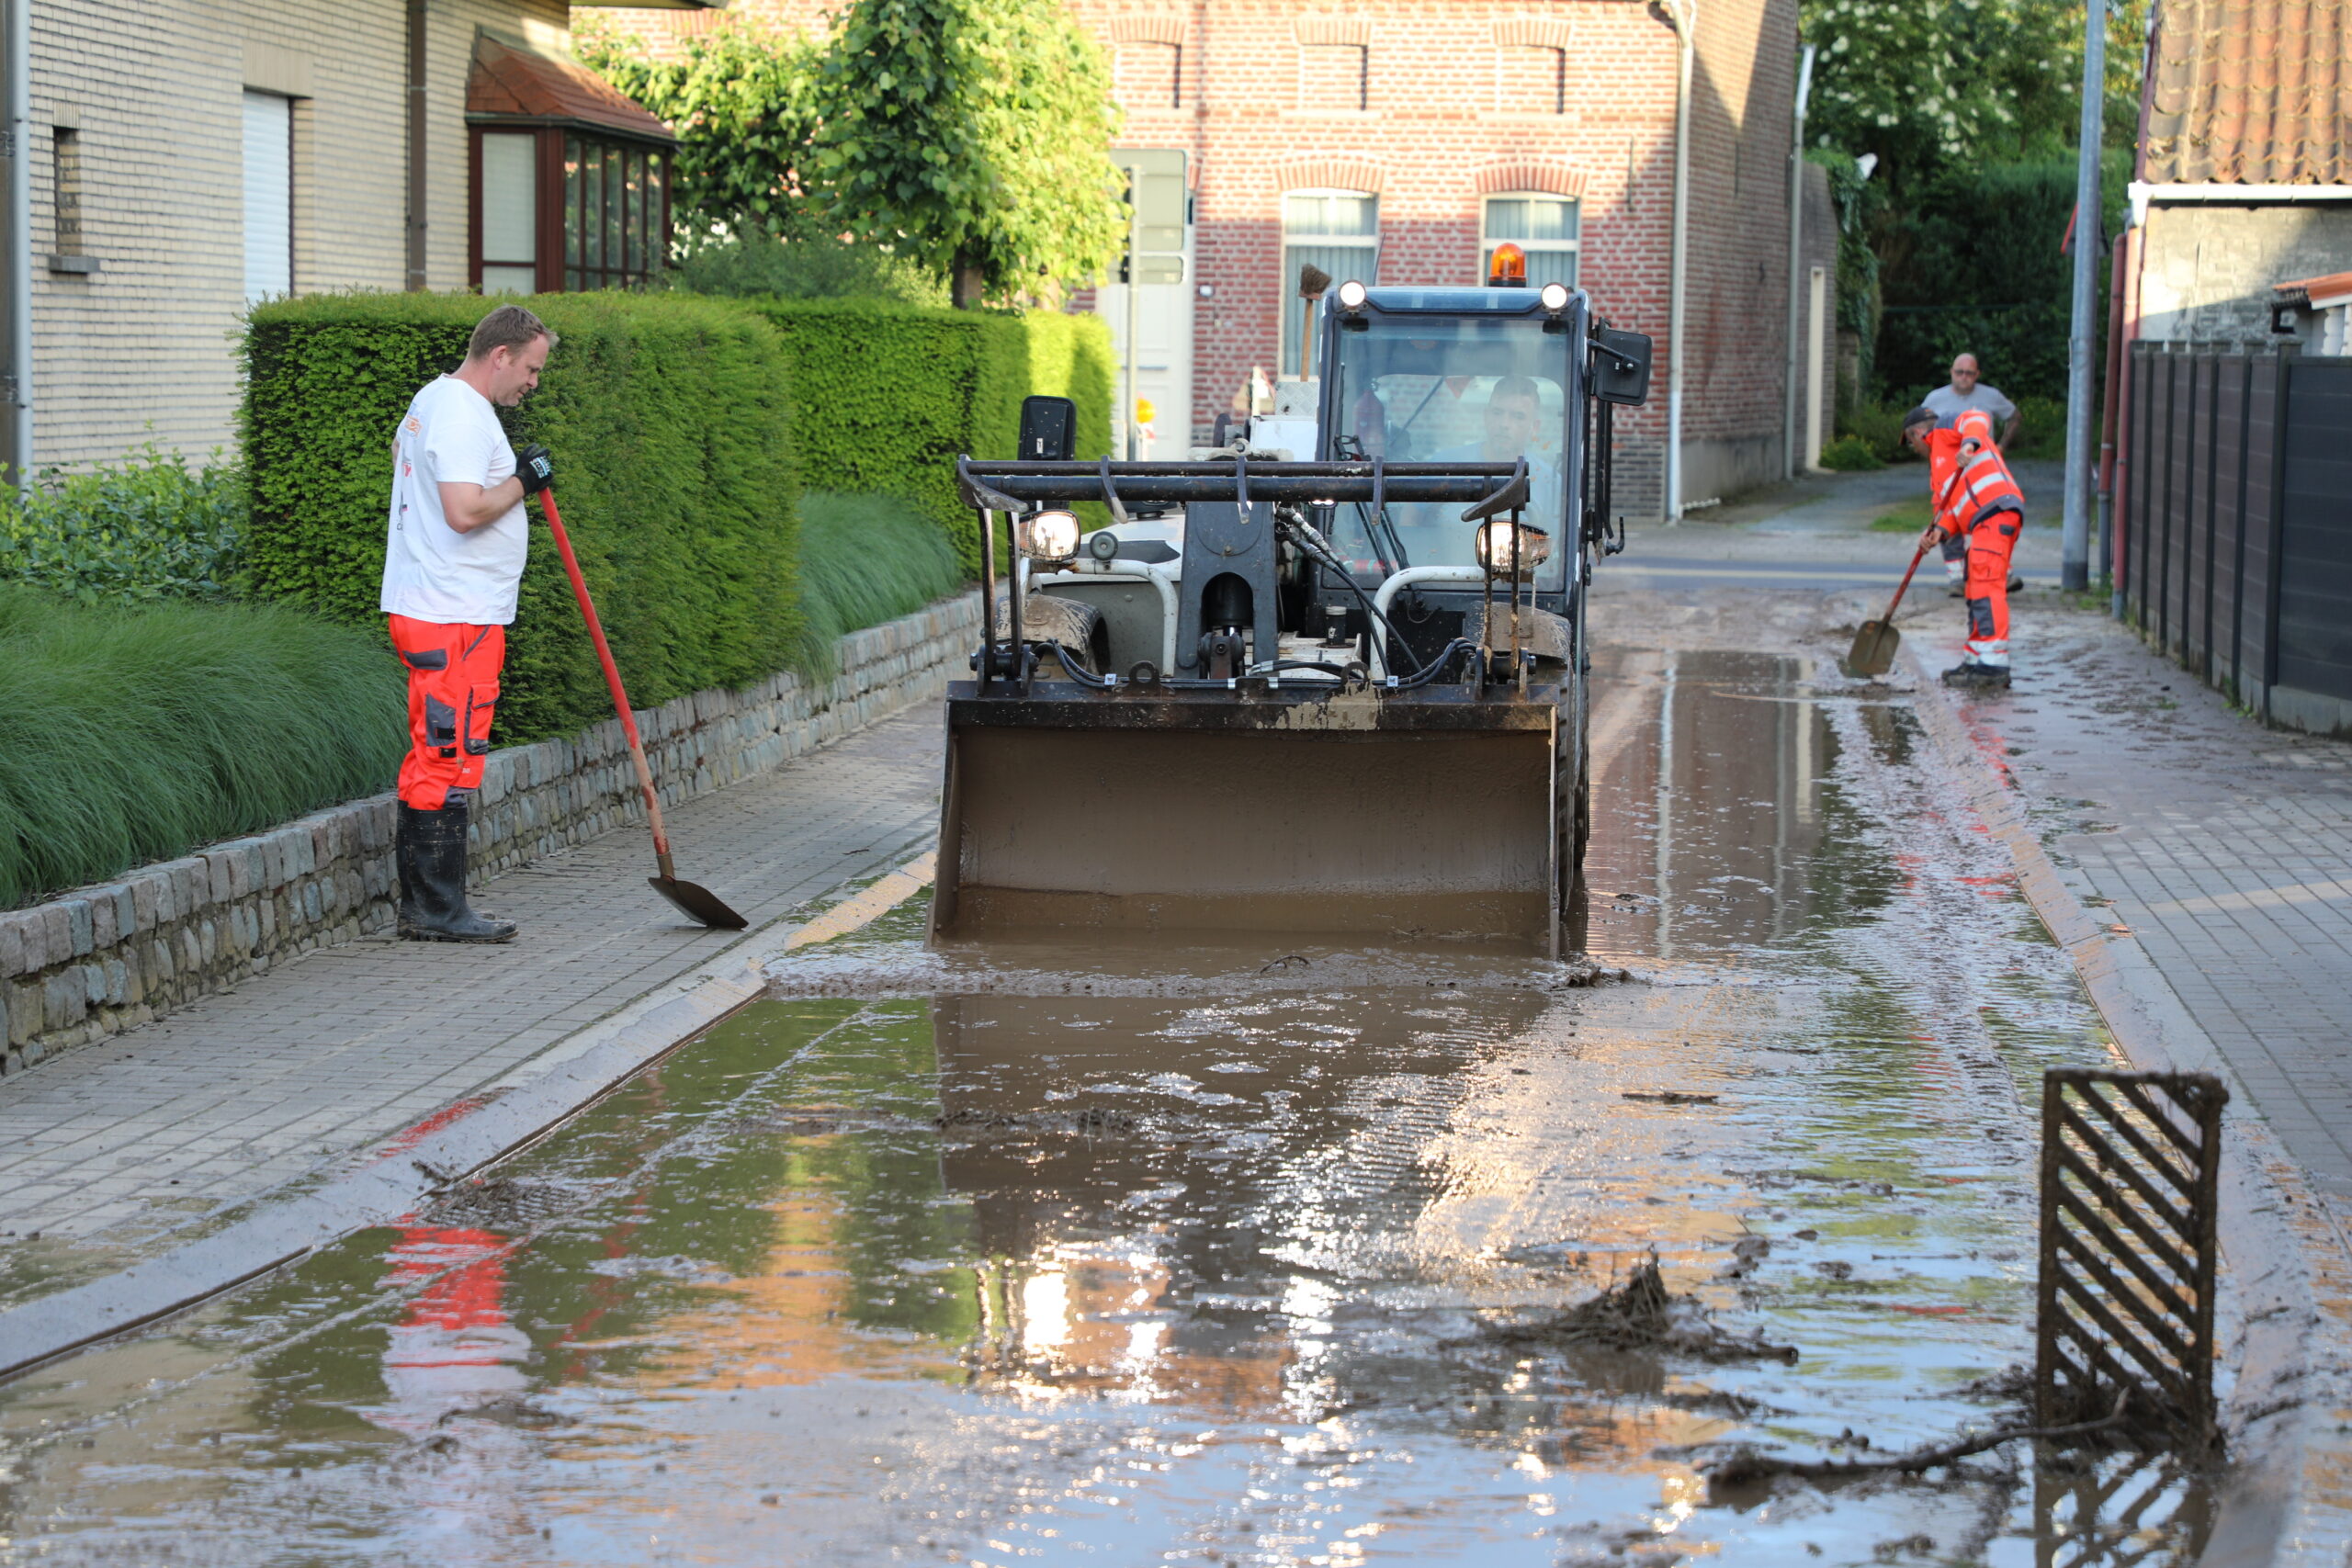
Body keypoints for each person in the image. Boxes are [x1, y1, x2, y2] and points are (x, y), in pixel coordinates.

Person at [381, 304, 558, 942]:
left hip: (457, 609)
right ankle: (434, 909)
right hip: (448, 612)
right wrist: (524, 480)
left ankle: (438, 904)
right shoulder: (457, 411)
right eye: (532, 368)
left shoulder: (441, 402)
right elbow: (463, 510)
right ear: (501, 354)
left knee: (453, 753)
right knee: (444, 753)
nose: (533, 383)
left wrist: (515, 477)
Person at [1905, 402, 2023, 688]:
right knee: (1975, 586)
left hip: (1996, 510)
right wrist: (1937, 532)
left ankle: (1993, 667)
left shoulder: (1947, 425)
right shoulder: (1939, 472)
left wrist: (1969, 444)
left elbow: (1978, 417)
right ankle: (1975, 659)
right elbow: (1948, 512)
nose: (1914, 450)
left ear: (1918, 433)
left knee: (1986, 583)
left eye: (1910, 443)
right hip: (1985, 518)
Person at [1919, 355, 2021, 595]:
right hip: (1948, 471)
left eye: (1969, 373)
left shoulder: (1990, 396)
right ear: (1950, 372)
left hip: (1979, 473)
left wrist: (2002, 445)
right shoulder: (1935, 399)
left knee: (1987, 521)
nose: (1964, 377)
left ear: (1978, 375)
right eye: (1959, 372)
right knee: (1946, 519)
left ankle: (1999, 572)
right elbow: (1922, 431)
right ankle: (1956, 577)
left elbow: (2015, 417)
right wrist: (1935, 460)